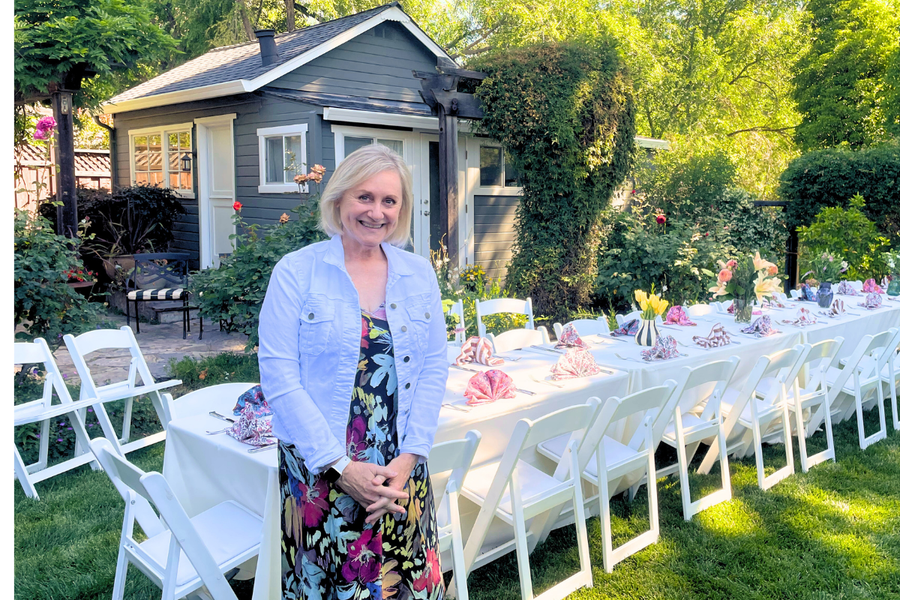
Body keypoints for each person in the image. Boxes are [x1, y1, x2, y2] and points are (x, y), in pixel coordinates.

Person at [259, 144, 450, 600]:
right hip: (322, 470)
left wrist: (409, 459)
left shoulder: (418, 273)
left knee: (406, 584)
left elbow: (434, 367)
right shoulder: (296, 272)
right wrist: (342, 468)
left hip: (401, 469)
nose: (376, 212)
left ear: (401, 209)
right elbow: (280, 377)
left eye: (389, 201)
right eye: (364, 197)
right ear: (339, 200)